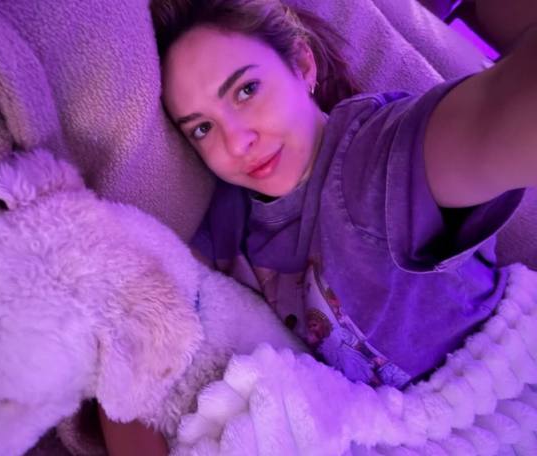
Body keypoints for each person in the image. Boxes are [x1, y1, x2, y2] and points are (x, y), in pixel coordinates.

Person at [99, 0, 537, 453]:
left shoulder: (379, 154)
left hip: (501, 398)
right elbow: (132, 341)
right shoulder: (226, 219)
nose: (237, 142)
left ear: (302, 64)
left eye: (246, 90)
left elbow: (496, 115)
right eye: (203, 128)